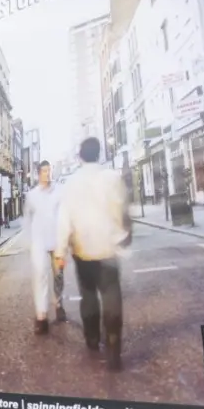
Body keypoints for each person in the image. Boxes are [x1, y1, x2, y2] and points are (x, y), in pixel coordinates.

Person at [54, 137, 131, 372]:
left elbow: (63, 219)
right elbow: (122, 208)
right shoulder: (112, 178)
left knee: (88, 295)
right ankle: (114, 343)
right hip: (108, 247)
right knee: (111, 295)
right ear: (98, 153)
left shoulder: (70, 183)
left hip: (83, 249)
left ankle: (91, 338)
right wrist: (124, 234)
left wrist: (60, 251)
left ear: (80, 156)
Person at [23, 160, 65, 335]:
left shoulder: (59, 192)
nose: (47, 174)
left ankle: (58, 302)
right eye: (44, 171)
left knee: (59, 276)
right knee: (40, 276)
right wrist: (29, 243)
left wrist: (65, 241)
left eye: (49, 170)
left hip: (56, 242)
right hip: (39, 242)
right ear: (38, 173)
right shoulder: (31, 196)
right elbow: (27, 220)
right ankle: (41, 317)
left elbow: (64, 216)